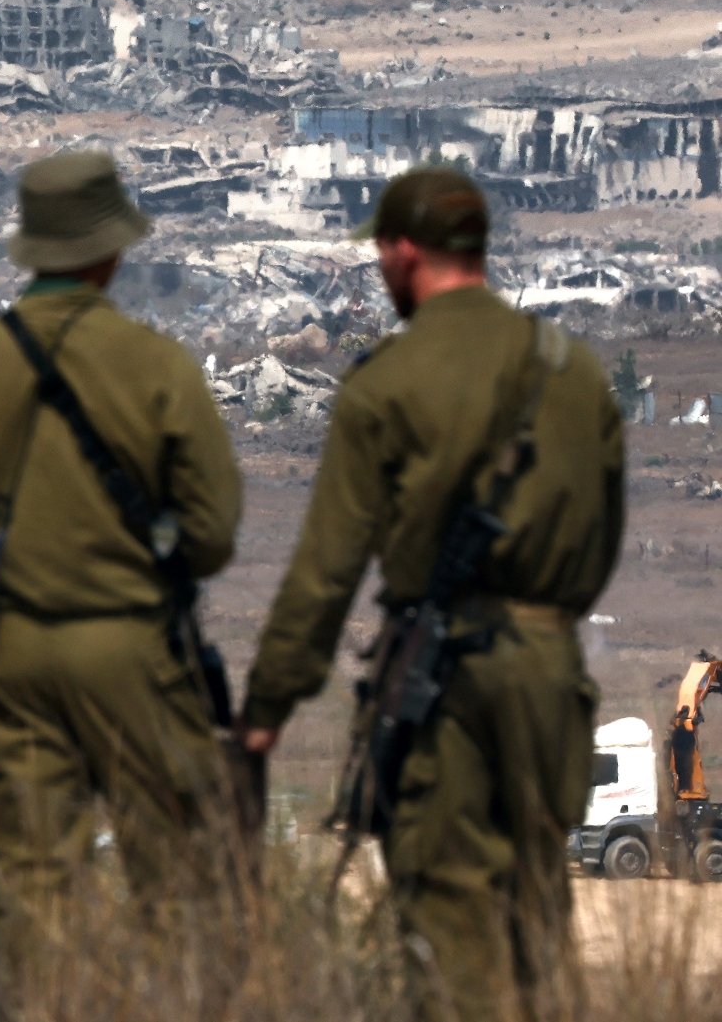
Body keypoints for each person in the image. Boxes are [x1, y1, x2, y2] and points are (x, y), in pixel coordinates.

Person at [240, 167, 624, 1022]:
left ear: (405, 252)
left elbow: (327, 568)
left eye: (381, 253)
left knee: (448, 934)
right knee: (539, 912)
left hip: (444, 682)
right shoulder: (572, 372)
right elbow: (600, 539)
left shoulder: (387, 381)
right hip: (552, 677)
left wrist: (266, 706)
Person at [0, 151, 242, 933]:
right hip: (134, 648)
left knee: (30, 891)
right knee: (176, 882)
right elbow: (213, 530)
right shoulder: (158, 365)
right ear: (110, 250)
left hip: (9, 657)